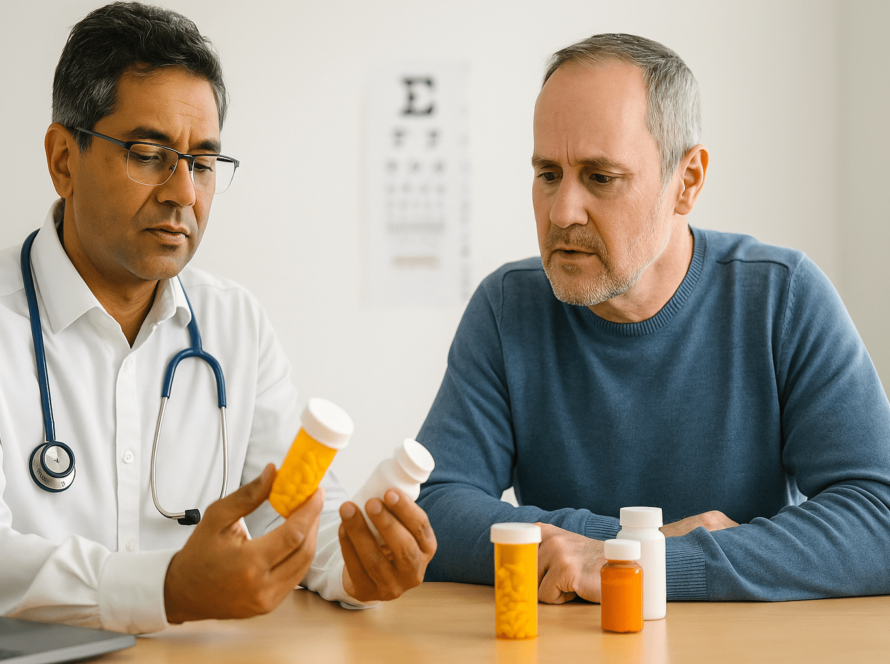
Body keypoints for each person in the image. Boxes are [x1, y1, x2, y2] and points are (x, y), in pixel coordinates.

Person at [0, 2, 435, 634]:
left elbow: (289, 510)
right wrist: (166, 588)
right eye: (148, 153)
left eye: (202, 163)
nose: (183, 192)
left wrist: (355, 567)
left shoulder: (234, 324)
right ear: (65, 159)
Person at [416, 33, 890, 603]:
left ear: (686, 181)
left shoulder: (782, 297)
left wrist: (648, 564)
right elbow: (435, 509)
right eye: (548, 174)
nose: (563, 212)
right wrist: (621, 546)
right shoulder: (506, 307)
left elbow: (879, 517)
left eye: (601, 177)